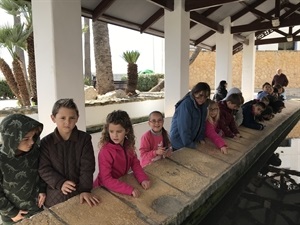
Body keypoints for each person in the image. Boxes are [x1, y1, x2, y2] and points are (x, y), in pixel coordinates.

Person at [39, 99, 99, 208]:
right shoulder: (45, 142)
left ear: (77, 118)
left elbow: (87, 167)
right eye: (62, 118)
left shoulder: (84, 139)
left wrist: (85, 190)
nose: (67, 122)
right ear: (53, 118)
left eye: (72, 118)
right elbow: (44, 169)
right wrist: (60, 183)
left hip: (80, 194)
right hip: (54, 196)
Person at [0, 114, 46, 224]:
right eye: (25, 139)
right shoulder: (1, 159)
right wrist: (12, 212)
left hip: (36, 209)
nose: (31, 142)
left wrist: (42, 189)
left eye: (33, 137)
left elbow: (41, 172)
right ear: (12, 138)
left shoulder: (35, 152)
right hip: (12, 216)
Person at [93, 110, 150, 197]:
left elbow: (135, 163)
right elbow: (106, 179)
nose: (115, 135)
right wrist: (129, 189)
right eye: (111, 131)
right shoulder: (105, 151)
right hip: (102, 190)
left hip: (119, 183)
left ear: (127, 130)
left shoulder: (128, 145)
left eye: (119, 131)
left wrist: (143, 179)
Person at [170, 82, 211, 150]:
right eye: (200, 95)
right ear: (195, 92)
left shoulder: (203, 105)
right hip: (180, 143)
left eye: (205, 97)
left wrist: (201, 138)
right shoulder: (186, 104)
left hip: (191, 141)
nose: (202, 99)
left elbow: (202, 123)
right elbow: (184, 127)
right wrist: (190, 144)